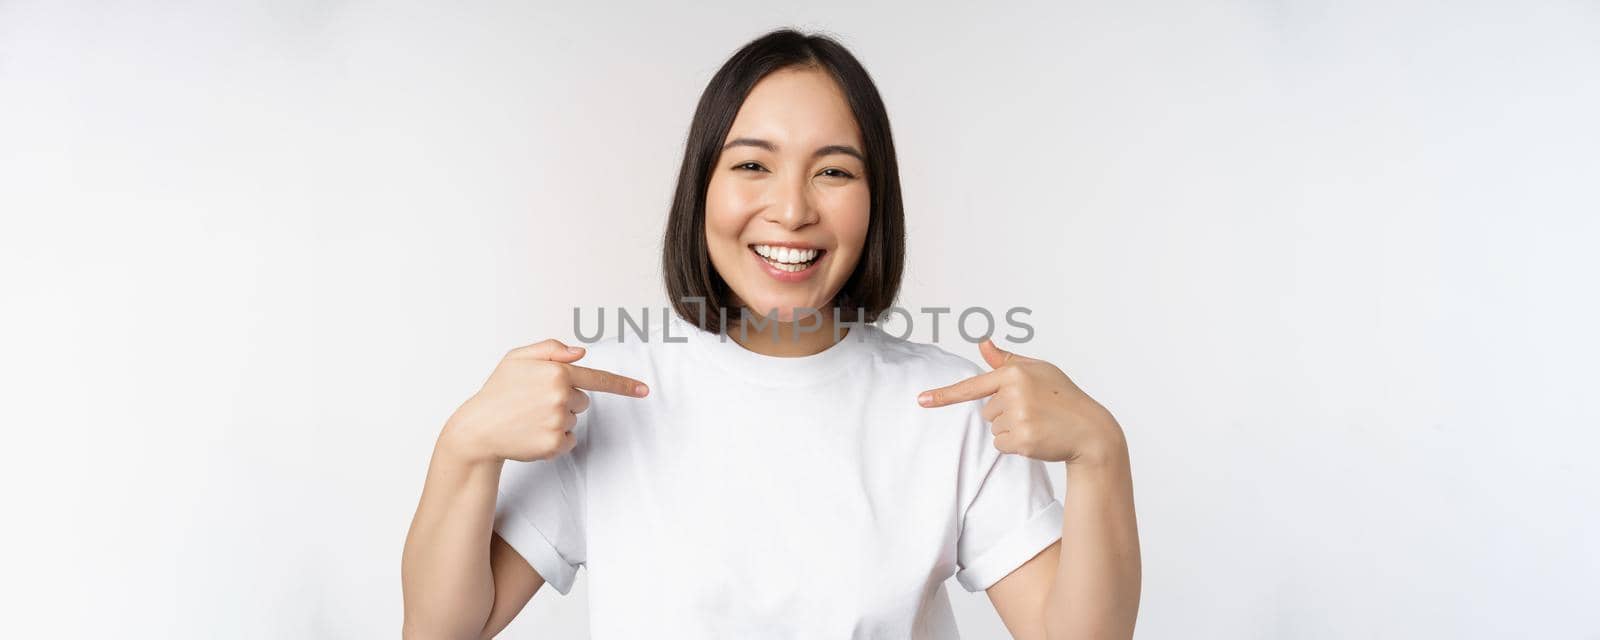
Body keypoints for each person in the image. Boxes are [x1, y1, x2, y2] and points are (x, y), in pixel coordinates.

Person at [401, 28, 1141, 639]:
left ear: (875, 204)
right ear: (702, 188)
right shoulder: (602, 397)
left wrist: (1101, 453)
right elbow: (442, 630)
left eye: (835, 172)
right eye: (752, 164)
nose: (791, 211)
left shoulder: (951, 405)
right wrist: (463, 447)